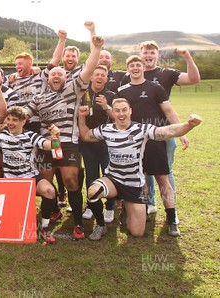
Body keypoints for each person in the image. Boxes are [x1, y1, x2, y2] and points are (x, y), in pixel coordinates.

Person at [78, 99, 202, 238]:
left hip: (134, 183)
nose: (121, 114)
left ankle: (127, 206)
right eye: (117, 110)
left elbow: (168, 130)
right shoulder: (106, 129)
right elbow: (85, 135)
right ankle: (101, 225)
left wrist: (189, 125)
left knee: (137, 232)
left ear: (130, 111)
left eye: (124, 109)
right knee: (93, 192)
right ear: (112, 112)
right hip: (113, 179)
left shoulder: (141, 129)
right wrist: (82, 118)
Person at [25, 23, 104, 239]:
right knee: (45, 184)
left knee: (71, 182)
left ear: (66, 78)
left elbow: (88, 69)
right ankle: (48, 219)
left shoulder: (74, 89)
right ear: (48, 78)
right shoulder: (39, 98)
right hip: (45, 145)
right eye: (53, 74)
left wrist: (96, 49)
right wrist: (8, 120)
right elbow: (23, 113)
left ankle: (78, 223)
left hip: (68, 143)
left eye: (60, 74)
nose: (57, 76)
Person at [117, 55, 186, 236]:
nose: (135, 68)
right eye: (131, 65)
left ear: (143, 68)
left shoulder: (156, 87)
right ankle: (143, 213)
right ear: (128, 69)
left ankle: (171, 219)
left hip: (154, 139)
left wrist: (181, 131)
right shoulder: (122, 91)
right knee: (140, 179)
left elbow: (168, 110)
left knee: (162, 179)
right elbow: (119, 115)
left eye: (138, 65)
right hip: (134, 142)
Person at [137, 41, 200, 219]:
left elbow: (194, 79)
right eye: (145, 53)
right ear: (140, 54)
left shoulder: (167, 73)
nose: (148, 56)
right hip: (141, 133)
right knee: (143, 170)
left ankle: (172, 211)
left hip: (165, 130)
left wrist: (187, 57)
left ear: (157, 55)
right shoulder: (132, 73)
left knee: (165, 171)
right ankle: (150, 204)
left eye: (151, 53)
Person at [0, 106, 60, 243]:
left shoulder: (31, 136)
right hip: (10, 182)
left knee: (50, 191)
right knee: (13, 220)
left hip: (30, 178)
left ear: (24, 121)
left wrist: (56, 137)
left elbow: (50, 145)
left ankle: (44, 227)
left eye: (14, 120)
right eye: (8, 119)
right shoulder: (1, 136)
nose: (10, 123)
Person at [78, 65, 117, 223]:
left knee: (108, 173)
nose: (99, 77)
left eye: (103, 75)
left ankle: (110, 206)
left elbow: (118, 119)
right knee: (91, 174)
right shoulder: (83, 94)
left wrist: (106, 107)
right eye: (97, 74)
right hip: (87, 141)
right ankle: (91, 204)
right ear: (91, 77)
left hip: (106, 142)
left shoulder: (111, 95)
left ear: (106, 79)